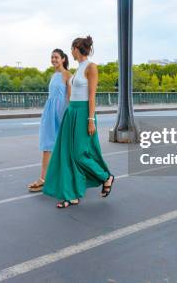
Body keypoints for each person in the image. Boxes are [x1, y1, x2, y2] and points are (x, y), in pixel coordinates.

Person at [43, 36, 114, 208]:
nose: (71, 52)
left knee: (79, 154)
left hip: (83, 114)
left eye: (72, 48)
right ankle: (71, 195)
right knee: (67, 154)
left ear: (77, 48)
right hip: (72, 113)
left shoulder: (91, 67)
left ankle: (106, 177)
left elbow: (91, 97)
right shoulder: (78, 68)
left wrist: (91, 120)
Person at [28, 49, 72, 192]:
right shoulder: (54, 75)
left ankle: (66, 177)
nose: (53, 60)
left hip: (61, 113)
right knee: (47, 145)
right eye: (52, 57)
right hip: (50, 112)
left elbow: (70, 98)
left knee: (64, 146)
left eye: (56, 57)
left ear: (63, 59)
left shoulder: (67, 75)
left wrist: (69, 115)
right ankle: (43, 178)